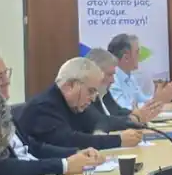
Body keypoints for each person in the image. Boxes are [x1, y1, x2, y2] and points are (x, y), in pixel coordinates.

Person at [0, 44, 104, 175]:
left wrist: (75, 154)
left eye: (6, 74)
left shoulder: (2, 110)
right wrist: (65, 165)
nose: (7, 81)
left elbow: (31, 147)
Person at [17, 57, 145, 152]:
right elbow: (69, 141)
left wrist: (133, 122)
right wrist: (119, 140)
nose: (93, 98)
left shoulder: (75, 104)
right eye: (90, 91)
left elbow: (99, 121)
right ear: (70, 86)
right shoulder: (43, 107)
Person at [84, 48, 163, 131]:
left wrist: (137, 114)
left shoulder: (104, 92)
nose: (113, 80)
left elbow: (117, 112)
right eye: (109, 75)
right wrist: (134, 118)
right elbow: (102, 122)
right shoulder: (85, 98)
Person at [107, 33, 172, 114]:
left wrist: (164, 94)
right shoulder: (111, 80)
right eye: (137, 52)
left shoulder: (130, 77)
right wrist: (157, 100)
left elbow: (143, 100)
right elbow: (123, 111)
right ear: (126, 58)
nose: (140, 55)